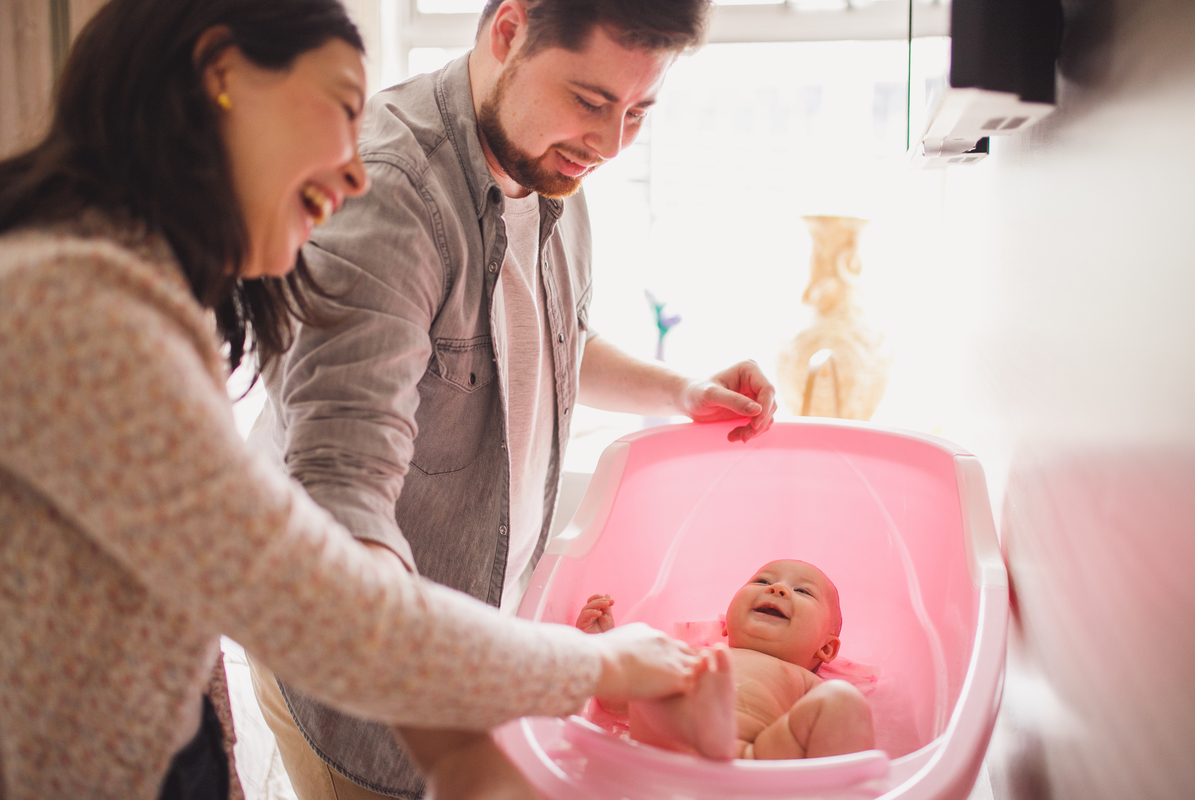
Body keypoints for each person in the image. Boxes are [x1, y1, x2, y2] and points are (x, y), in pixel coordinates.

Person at [0, 1, 706, 798]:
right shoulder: (77, 314)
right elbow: (318, 580)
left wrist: (456, 746)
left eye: (637, 113)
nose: (350, 174)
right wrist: (601, 666)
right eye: (339, 110)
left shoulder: (128, 290)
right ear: (221, 77)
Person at [245, 0, 779, 796]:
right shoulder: (388, 196)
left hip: (468, 649)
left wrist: (681, 390)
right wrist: (583, 670)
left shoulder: (550, 161)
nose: (611, 143)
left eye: (638, 111)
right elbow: (344, 512)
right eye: (591, 100)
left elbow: (542, 345)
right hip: (365, 686)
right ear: (508, 33)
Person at [577, 560, 876, 760]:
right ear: (726, 626)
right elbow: (617, 702)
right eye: (762, 581)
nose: (778, 589)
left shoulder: (807, 682)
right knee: (649, 655)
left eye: (803, 591)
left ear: (826, 649)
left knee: (841, 699)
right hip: (671, 745)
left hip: (754, 758)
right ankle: (702, 723)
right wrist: (603, 644)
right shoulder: (699, 657)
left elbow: (828, 728)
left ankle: (834, 789)